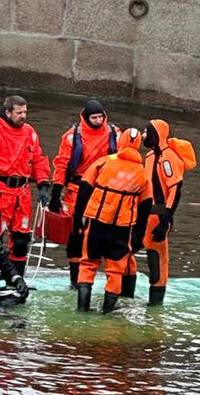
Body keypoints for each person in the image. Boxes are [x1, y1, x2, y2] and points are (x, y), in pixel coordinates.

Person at [0, 95, 51, 276]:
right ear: (8, 112)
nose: (23, 116)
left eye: (25, 112)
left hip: (22, 194)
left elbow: (38, 161)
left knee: (21, 240)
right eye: (19, 112)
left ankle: (16, 279)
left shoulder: (30, 133)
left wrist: (43, 185)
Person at [72, 128, 151, 313]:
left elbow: (84, 189)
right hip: (123, 229)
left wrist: (77, 219)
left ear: (121, 142)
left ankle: (82, 310)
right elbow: (145, 207)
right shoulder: (143, 172)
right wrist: (139, 236)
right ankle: (107, 314)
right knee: (116, 271)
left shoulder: (104, 162)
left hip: (97, 223)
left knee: (88, 264)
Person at [48, 98, 124, 289]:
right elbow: (62, 164)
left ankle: (99, 277)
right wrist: (56, 192)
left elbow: (125, 157)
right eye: (94, 117)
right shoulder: (72, 137)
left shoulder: (114, 133)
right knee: (75, 235)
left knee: (103, 234)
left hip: (105, 190)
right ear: (86, 117)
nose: (98, 120)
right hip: (77, 190)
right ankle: (75, 281)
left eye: (101, 117)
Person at [140, 119, 196, 306]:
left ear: (156, 135)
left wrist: (165, 220)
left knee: (157, 263)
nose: (143, 136)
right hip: (142, 216)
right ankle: (123, 293)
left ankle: (155, 304)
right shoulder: (149, 157)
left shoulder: (168, 158)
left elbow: (175, 189)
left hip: (158, 217)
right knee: (124, 252)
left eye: (147, 132)